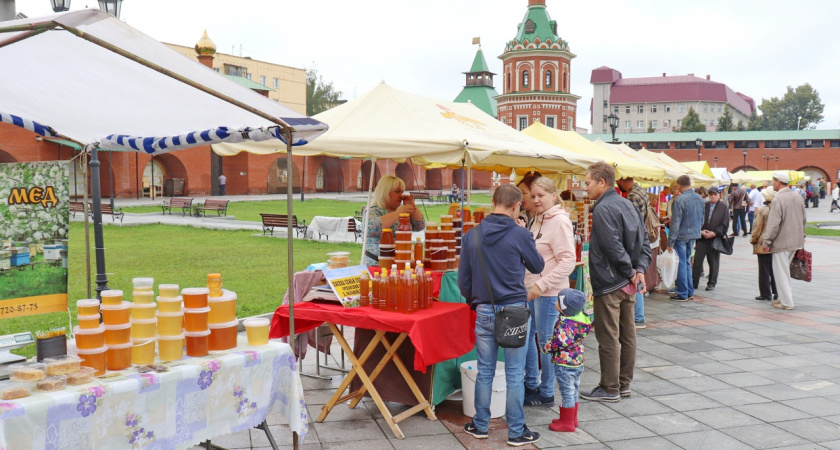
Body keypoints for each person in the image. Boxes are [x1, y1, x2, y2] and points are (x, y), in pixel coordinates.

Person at [459, 184, 545, 446]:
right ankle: (516, 431)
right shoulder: (519, 234)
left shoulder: (471, 235)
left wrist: (476, 301)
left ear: (493, 201)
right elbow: (538, 265)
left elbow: (464, 280)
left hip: (484, 308)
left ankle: (481, 424)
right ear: (516, 205)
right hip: (515, 311)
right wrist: (524, 233)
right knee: (515, 374)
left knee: (485, 370)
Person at [579, 162, 650, 403]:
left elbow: (612, 247)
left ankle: (610, 388)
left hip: (611, 281)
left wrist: (631, 271)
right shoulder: (627, 204)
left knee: (608, 337)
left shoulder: (604, 208)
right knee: (627, 335)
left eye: (588, 182)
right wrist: (638, 270)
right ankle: (623, 385)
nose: (585, 187)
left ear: (602, 182)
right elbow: (644, 241)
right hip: (625, 281)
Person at [523, 177, 576, 407]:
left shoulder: (559, 221)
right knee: (529, 338)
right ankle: (532, 383)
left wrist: (541, 284)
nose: (536, 200)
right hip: (534, 292)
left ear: (554, 196)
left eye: (540, 196)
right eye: (533, 196)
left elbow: (568, 261)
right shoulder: (538, 219)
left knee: (546, 343)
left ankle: (546, 393)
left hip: (548, 294)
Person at [543, 288, 591, 432]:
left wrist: (547, 347)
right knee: (573, 390)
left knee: (567, 393)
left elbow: (559, 341)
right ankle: (571, 419)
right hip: (577, 361)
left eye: (558, 301)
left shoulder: (566, 325)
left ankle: (567, 423)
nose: (556, 302)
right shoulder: (580, 319)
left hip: (565, 364)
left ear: (565, 308)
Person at [616, 176, 658, 329]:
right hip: (640, 239)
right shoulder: (641, 191)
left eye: (617, 181)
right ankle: (638, 316)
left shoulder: (632, 196)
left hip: (634, 241)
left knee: (635, 277)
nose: (617, 184)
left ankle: (638, 317)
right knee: (637, 276)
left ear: (622, 180)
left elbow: (630, 222)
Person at [762, 171, 806, 310]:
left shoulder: (778, 199)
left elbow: (773, 223)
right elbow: (803, 219)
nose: (772, 183)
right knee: (783, 270)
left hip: (782, 241)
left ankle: (787, 302)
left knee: (780, 272)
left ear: (778, 182)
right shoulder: (797, 196)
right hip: (795, 240)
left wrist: (767, 241)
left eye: (773, 181)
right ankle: (782, 298)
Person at [362, 175, 425, 266]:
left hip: (400, 263)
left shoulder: (399, 211)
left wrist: (412, 205)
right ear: (385, 192)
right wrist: (398, 213)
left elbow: (420, 226)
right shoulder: (373, 210)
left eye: (402, 192)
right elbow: (370, 228)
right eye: (397, 192)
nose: (401, 196)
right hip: (377, 264)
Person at [667, 175, 704, 302]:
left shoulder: (679, 200)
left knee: (682, 263)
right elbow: (702, 218)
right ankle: (689, 291)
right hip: (694, 233)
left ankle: (683, 292)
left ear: (678, 186)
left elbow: (675, 223)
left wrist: (670, 241)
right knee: (687, 261)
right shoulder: (699, 198)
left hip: (681, 235)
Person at [691, 187, 729, 292]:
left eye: (714, 194)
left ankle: (712, 283)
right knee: (698, 261)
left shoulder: (723, 207)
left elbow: (725, 224)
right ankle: (694, 282)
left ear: (718, 195)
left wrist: (715, 233)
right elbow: (697, 220)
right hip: (702, 237)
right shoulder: (704, 205)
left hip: (715, 238)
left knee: (713, 262)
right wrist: (701, 231)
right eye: (711, 194)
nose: (712, 196)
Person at [750, 187, 778, 301]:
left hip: (763, 242)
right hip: (776, 244)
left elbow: (757, 227)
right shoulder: (779, 209)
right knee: (775, 269)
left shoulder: (763, 210)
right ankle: (777, 292)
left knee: (764, 270)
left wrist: (753, 239)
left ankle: (765, 293)